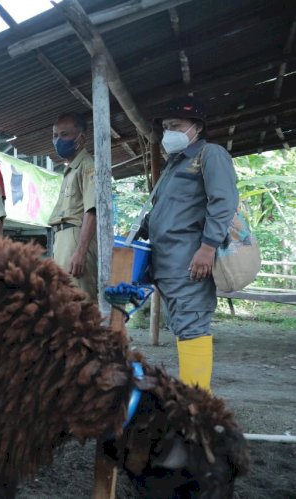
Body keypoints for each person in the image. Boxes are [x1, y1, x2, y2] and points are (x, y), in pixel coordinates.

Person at [138, 96, 238, 392]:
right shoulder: (174, 164)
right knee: (183, 329)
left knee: (193, 328)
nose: (169, 132)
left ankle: (197, 410)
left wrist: (207, 249)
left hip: (191, 263)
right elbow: (166, 211)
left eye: (176, 125)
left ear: (196, 126)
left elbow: (224, 204)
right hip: (167, 265)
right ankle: (190, 404)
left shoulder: (211, 154)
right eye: (166, 127)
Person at [47, 112, 98, 301]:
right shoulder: (70, 169)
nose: (58, 140)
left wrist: (80, 251)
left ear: (81, 139)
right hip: (62, 239)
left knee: (79, 303)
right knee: (64, 302)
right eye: (55, 135)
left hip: (76, 239)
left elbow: (92, 210)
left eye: (64, 135)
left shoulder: (87, 165)